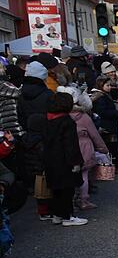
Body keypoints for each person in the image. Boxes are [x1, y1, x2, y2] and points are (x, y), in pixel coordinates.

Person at [15, 61, 53, 220]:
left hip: (30, 137)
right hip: (47, 136)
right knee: (51, 170)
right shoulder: (48, 95)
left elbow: (20, 117)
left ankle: (42, 208)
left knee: (36, 172)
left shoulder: (21, 94)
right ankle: (54, 207)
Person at [42, 92, 85, 226]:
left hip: (50, 159)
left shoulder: (47, 120)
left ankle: (57, 214)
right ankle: (68, 216)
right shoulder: (67, 121)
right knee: (67, 190)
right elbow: (70, 144)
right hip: (65, 160)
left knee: (56, 189)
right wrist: (76, 162)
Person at [66, 85, 107, 211]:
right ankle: (83, 199)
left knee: (70, 174)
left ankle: (71, 201)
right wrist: (102, 148)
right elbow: (94, 134)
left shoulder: (63, 115)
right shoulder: (83, 116)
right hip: (84, 146)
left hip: (68, 147)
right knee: (84, 174)